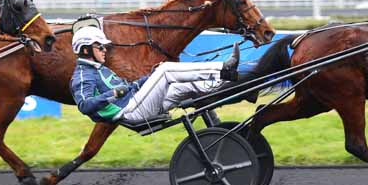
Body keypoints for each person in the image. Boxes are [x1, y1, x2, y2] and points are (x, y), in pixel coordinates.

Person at [70, 26, 240, 123]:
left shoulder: (98, 68)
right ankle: (223, 68)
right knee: (166, 70)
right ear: (85, 49)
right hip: (130, 112)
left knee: (182, 85)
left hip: (138, 103)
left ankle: (225, 81)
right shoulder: (83, 76)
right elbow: (84, 106)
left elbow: (131, 87)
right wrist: (112, 94)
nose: (104, 50)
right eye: (100, 47)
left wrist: (150, 77)